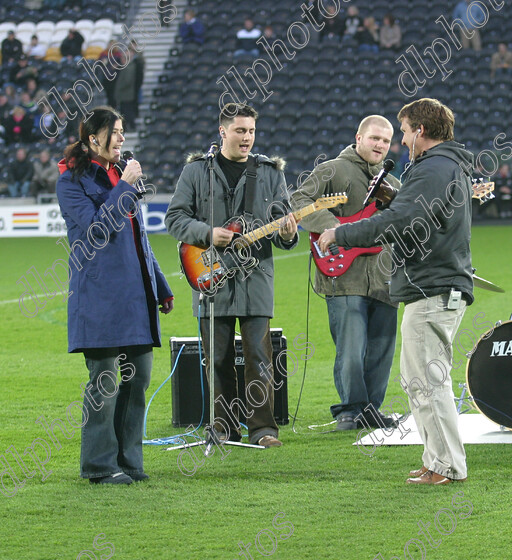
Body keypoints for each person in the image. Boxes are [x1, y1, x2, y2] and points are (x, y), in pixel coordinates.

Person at [318, 98, 473, 485]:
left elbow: (402, 220)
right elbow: (417, 215)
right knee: (420, 379)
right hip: (436, 286)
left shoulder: (434, 167)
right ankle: (437, 458)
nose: (402, 140)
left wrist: (342, 233)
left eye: (404, 131)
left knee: (426, 381)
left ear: (420, 130)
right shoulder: (444, 166)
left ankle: (446, 467)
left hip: (433, 287)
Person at [165, 103, 297, 448]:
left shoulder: (271, 172)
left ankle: (263, 429)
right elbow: (175, 218)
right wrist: (208, 233)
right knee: (217, 358)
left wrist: (286, 232)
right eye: (240, 131)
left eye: (251, 131)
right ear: (222, 131)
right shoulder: (195, 172)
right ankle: (223, 428)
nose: (247, 138)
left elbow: (285, 232)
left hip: (256, 280)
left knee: (260, 356)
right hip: (211, 279)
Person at [56, 106, 174, 484]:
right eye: (116, 132)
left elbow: (139, 242)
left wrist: (161, 284)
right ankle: (99, 465)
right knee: (105, 381)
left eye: (123, 131)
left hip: (135, 297)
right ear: (94, 139)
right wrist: (125, 186)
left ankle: (129, 461)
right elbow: (95, 231)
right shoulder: (71, 181)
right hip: (99, 298)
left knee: (137, 379)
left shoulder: (116, 175)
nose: (122, 138)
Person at [290, 116, 401, 431]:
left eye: (385, 140)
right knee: (351, 349)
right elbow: (298, 199)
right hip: (343, 275)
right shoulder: (334, 168)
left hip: (384, 278)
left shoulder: (393, 182)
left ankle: (370, 411)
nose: (380, 145)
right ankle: (350, 410)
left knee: (381, 349)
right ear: (359, 137)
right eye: (374, 138)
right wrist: (336, 229)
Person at [114, 41, 144, 131]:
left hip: (126, 93)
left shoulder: (129, 67)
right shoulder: (128, 66)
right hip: (125, 93)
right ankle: (127, 126)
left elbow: (127, 80)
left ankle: (131, 126)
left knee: (127, 111)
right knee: (125, 111)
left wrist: (119, 88)